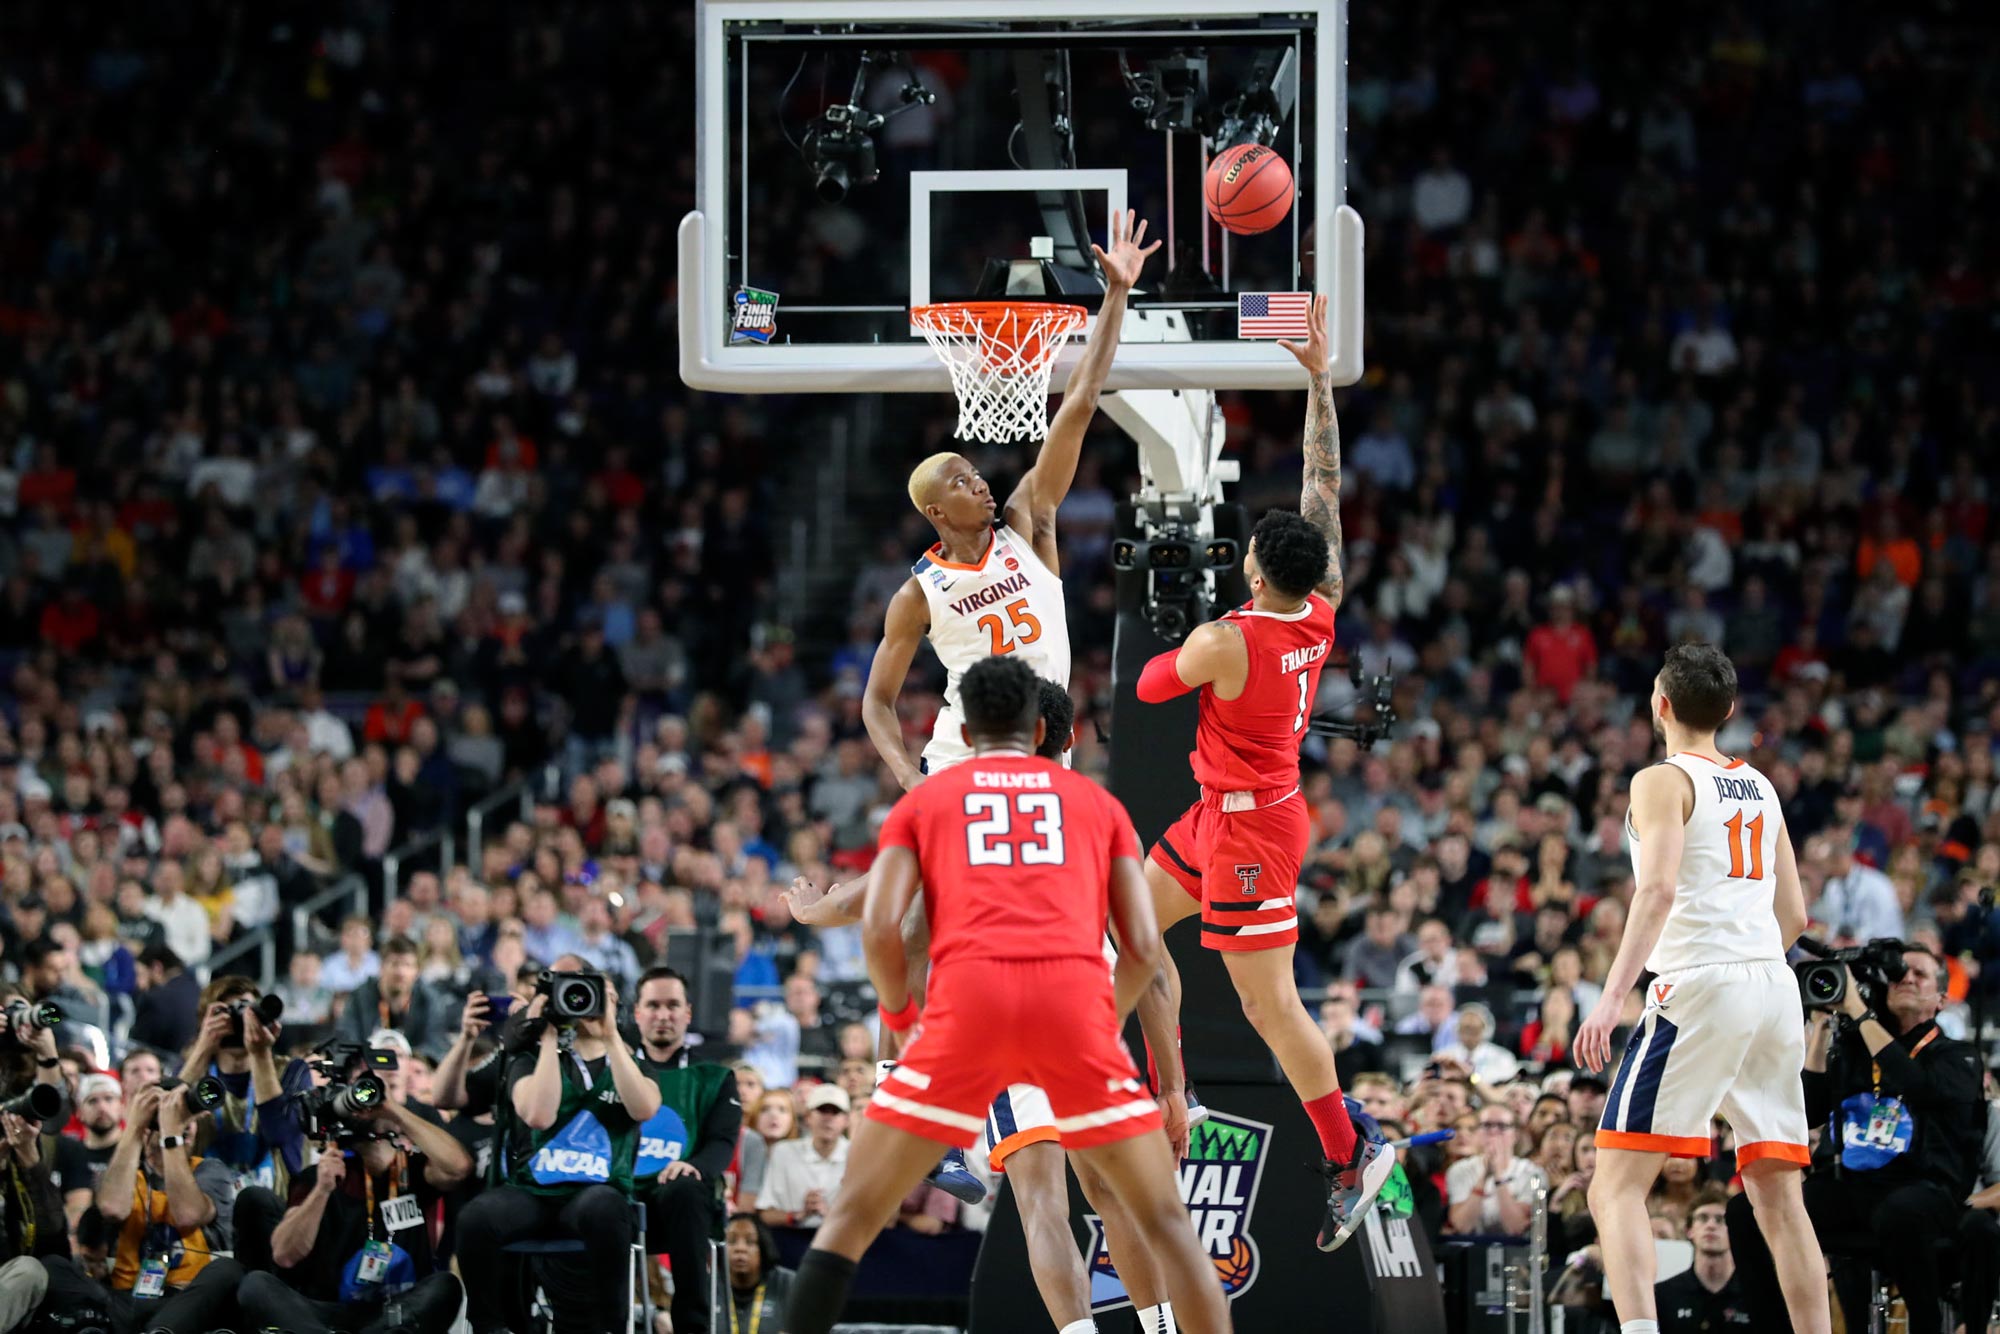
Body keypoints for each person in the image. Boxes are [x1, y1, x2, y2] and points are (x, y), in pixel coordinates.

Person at [827, 209, 1160, 1202]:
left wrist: (1113, 297)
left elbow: (1083, 397)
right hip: (964, 752)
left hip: (1043, 751)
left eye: (976, 470)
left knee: (1056, 931)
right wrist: (912, 781)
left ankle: (1044, 1083)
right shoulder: (917, 589)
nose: (980, 474)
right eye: (962, 478)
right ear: (939, 510)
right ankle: (910, 1091)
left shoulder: (1029, 520)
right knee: (929, 912)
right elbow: (875, 704)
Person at [781, 656, 1231, 1334]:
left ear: (963, 729)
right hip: (1075, 1013)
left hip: (976, 1019)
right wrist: (1143, 1062)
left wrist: (901, 1027)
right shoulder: (1096, 809)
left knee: (865, 1215)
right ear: (1050, 729)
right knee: (1159, 1217)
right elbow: (1150, 960)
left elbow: (882, 922)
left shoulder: (932, 801)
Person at [1132, 296, 1390, 1252]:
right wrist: (1318, 375)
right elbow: (1324, 480)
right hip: (1229, 814)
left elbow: (1156, 685)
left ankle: (1348, 1150)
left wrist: (1193, 632)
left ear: (1250, 570)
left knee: (1270, 1006)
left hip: (1252, 832)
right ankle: (1104, 1081)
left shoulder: (1223, 640)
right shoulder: (1319, 607)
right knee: (1120, 931)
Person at [1574, 644, 1830, 1334]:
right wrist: (1748, 975)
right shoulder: (1762, 785)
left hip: (1701, 980)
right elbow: (1797, 917)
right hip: (1774, 985)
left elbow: (1656, 890)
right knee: (1780, 1196)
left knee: (1616, 1184)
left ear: (1660, 706)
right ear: (1730, 711)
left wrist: (1609, 998)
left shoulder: (1661, 779)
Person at [1725, 943, 1983, 1334]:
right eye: (1899, 975)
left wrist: (1860, 1015)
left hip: (1925, 1188)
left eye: (1920, 975)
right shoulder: (1853, 1047)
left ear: (1942, 999)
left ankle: (1926, 1326)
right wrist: (1821, 1028)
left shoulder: (1956, 1055)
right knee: (1747, 1212)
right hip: (1851, 1186)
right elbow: (1807, 1113)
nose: (1907, 980)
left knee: (1899, 1214)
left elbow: (1917, 1085)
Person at [453, 973, 661, 1334]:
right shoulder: (527, 1058)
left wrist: (612, 1038)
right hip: (533, 1192)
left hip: (594, 1193)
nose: (587, 1005)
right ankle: (491, 1327)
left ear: (617, 1007)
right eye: (575, 995)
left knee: (607, 1207)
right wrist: (548, 1035)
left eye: (601, 996)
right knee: (475, 1218)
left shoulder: (632, 1063)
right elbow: (538, 1115)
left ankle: (610, 1327)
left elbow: (643, 1108)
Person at [236, 1065, 473, 1334]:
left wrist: (392, 1108)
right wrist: (322, 1192)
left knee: (446, 1286)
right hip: (328, 1314)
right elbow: (284, 1255)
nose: (366, 1107)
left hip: (397, 1310)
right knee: (256, 1285)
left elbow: (459, 1167)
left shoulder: (414, 1171)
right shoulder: (318, 1177)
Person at [34, 1082, 246, 1334]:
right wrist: (134, 1126)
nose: (183, 1124)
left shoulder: (209, 1170)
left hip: (188, 1298)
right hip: (127, 1298)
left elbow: (188, 1214)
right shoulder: (126, 1173)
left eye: (188, 1120)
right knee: (51, 1266)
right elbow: (112, 1208)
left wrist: (170, 1136)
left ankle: (162, 1329)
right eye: (171, 1119)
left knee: (228, 1271)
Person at [176, 974, 313, 1273]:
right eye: (226, 1013)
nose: (239, 1022)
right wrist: (203, 1046)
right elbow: (164, 1122)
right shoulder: (192, 1071)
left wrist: (260, 1052)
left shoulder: (291, 1071)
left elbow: (281, 1133)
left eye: (248, 1012)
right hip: (204, 1224)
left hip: (275, 1223)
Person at [632, 964, 742, 1334]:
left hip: (680, 1203)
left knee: (687, 1190)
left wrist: (693, 1166)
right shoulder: (612, 1070)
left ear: (688, 1013)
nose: (663, 1015)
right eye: (653, 1005)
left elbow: (722, 1143)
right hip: (620, 1197)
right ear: (637, 1012)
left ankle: (692, 1326)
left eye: (673, 1005)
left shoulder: (715, 1077)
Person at [335, 935, 453, 1059]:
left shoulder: (429, 1000)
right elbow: (347, 1043)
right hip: (369, 1068)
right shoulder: (359, 998)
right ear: (381, 967)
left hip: (412, 1069)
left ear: (417, 971)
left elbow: (435, 1047)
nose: (400, 972)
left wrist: (403, 1059)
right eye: (394, 964)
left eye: (407, 965)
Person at [756, 1084, 852, 1229]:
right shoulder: (783, 1152)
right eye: (822, 1110)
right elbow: (765, 1213)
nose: (828, 1118)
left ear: (846, 1120)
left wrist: (830, 1215)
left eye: (835, 1111)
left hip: (842, 1240)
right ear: (808, 1117)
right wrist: (797, 1215)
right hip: (792, 1238)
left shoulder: (858, 1155)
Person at [1654, 1189, 1749, 1333]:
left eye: (1721, 1220)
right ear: (1689, 1231)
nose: (1711, 1225)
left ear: (1736, 1230)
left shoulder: (1757, 1296)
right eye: (1702, 1218)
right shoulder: (1662, 1294)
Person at [1444, 1104, 1542, 1236]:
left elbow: (1515, 1227)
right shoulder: (1459, 1170)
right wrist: (1484, 1177)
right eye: (1486, 1126)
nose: (1493, 1132)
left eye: (1502, 1126)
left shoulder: (1533, 1173)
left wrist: (1499, 1177)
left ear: (1516, 1135)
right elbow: (1463, 1226)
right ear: (1477, 1132)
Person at [54, 1074, 123, 1230]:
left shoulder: (134, 1153)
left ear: (121, 1107)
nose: (102, 1107)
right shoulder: (68, 1153)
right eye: (92, 1101)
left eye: (109, 1099)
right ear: (79, 1112)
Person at [723, 1212, 793, 1331]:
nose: (740, 1248)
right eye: (731, 1241)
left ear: (764, 1247)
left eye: (750, 1241)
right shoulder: (708, 1285)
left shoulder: (788, 1283)